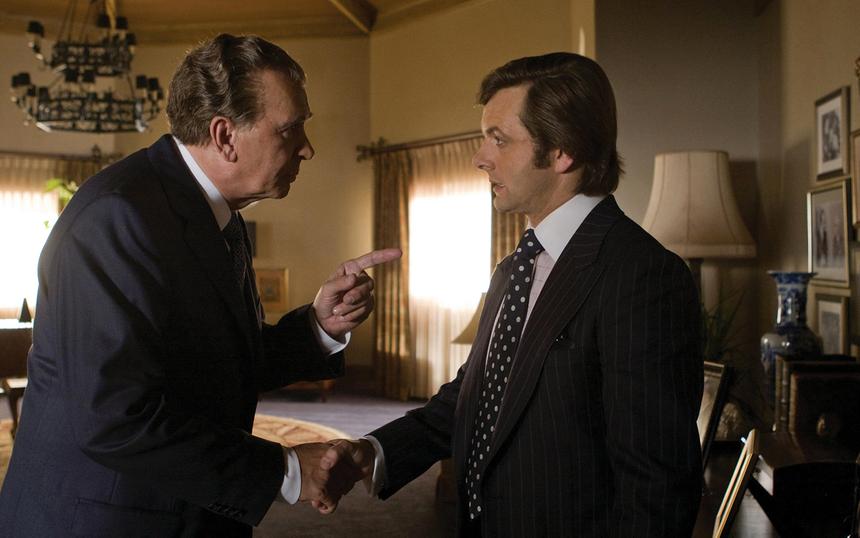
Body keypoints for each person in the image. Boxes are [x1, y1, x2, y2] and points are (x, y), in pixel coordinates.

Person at [0, 34, 398, 537]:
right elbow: (115, 418)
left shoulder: (215, 211)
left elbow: (215, 363)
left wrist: (320, 326)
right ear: (225, 135)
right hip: (105, 520)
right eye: (290, 129)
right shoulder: (118, 216)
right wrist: (286, 470)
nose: (307, 148)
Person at [322, 52, 703, 536]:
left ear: (563, 151)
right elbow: (477, 395)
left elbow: (657, 488)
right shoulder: (515, 267)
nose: (480, 158)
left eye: (498, 139)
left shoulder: (643, 275)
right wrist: (373, 452)